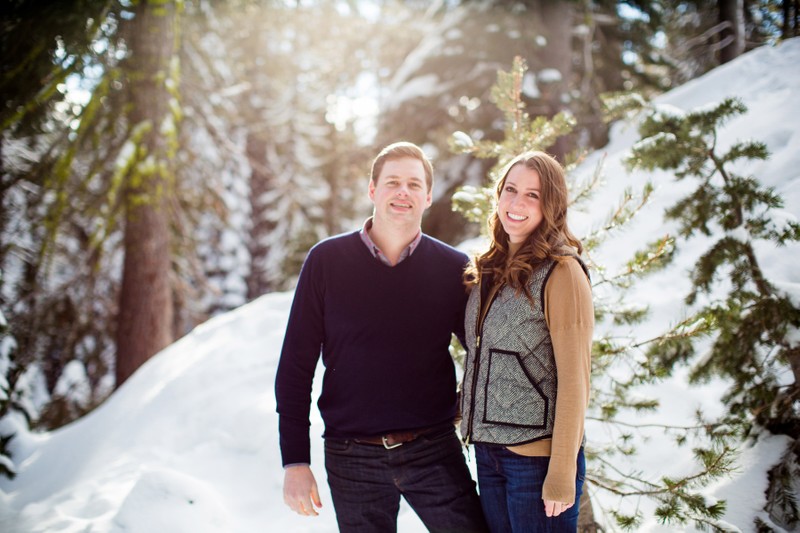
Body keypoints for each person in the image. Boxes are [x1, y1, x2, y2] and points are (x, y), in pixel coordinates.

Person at [275, 141, 488, 532]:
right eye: (392, 182)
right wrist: (295, 462)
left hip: (433, 449)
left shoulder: (452, 268)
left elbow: (485, 352)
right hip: (350, 454)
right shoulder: (326, 262)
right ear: (373, 190)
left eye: (413, 184)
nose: (402, 192)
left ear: (427, 197)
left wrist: (463, 406)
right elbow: (295, 366)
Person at [459, 151, 593, 533]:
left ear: (551, 205)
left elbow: (575, 381)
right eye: (511, 190)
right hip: (488, 454)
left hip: (536, 462)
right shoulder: (491, 269)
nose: (517, 204)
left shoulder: (562, 271)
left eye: (532, 195)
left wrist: (562, 472)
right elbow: (482, 355)